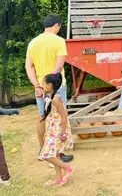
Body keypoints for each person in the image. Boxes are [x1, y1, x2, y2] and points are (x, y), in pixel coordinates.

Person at [25, 14, 73, 163]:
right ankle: (58, 153)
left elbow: (29, 66)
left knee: (43, 117)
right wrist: (51, 83)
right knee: (58, 118)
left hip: (41, 87)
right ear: (57, 25)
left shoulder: (33, 42)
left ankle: (42, 151)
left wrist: (37, 85)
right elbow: (59, 66)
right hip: (57, 86)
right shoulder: (59, 41)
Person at [40, 73, 73, 186]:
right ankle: (58, 179)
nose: (41, 85)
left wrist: (63, 134)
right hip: (52, 130)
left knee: (46, 154)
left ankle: (67, 168)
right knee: (55, 155)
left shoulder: (56, 98)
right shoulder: (50, 97)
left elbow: (64, 116)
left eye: (43, 84)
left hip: (58, 131)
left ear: (50, 85)